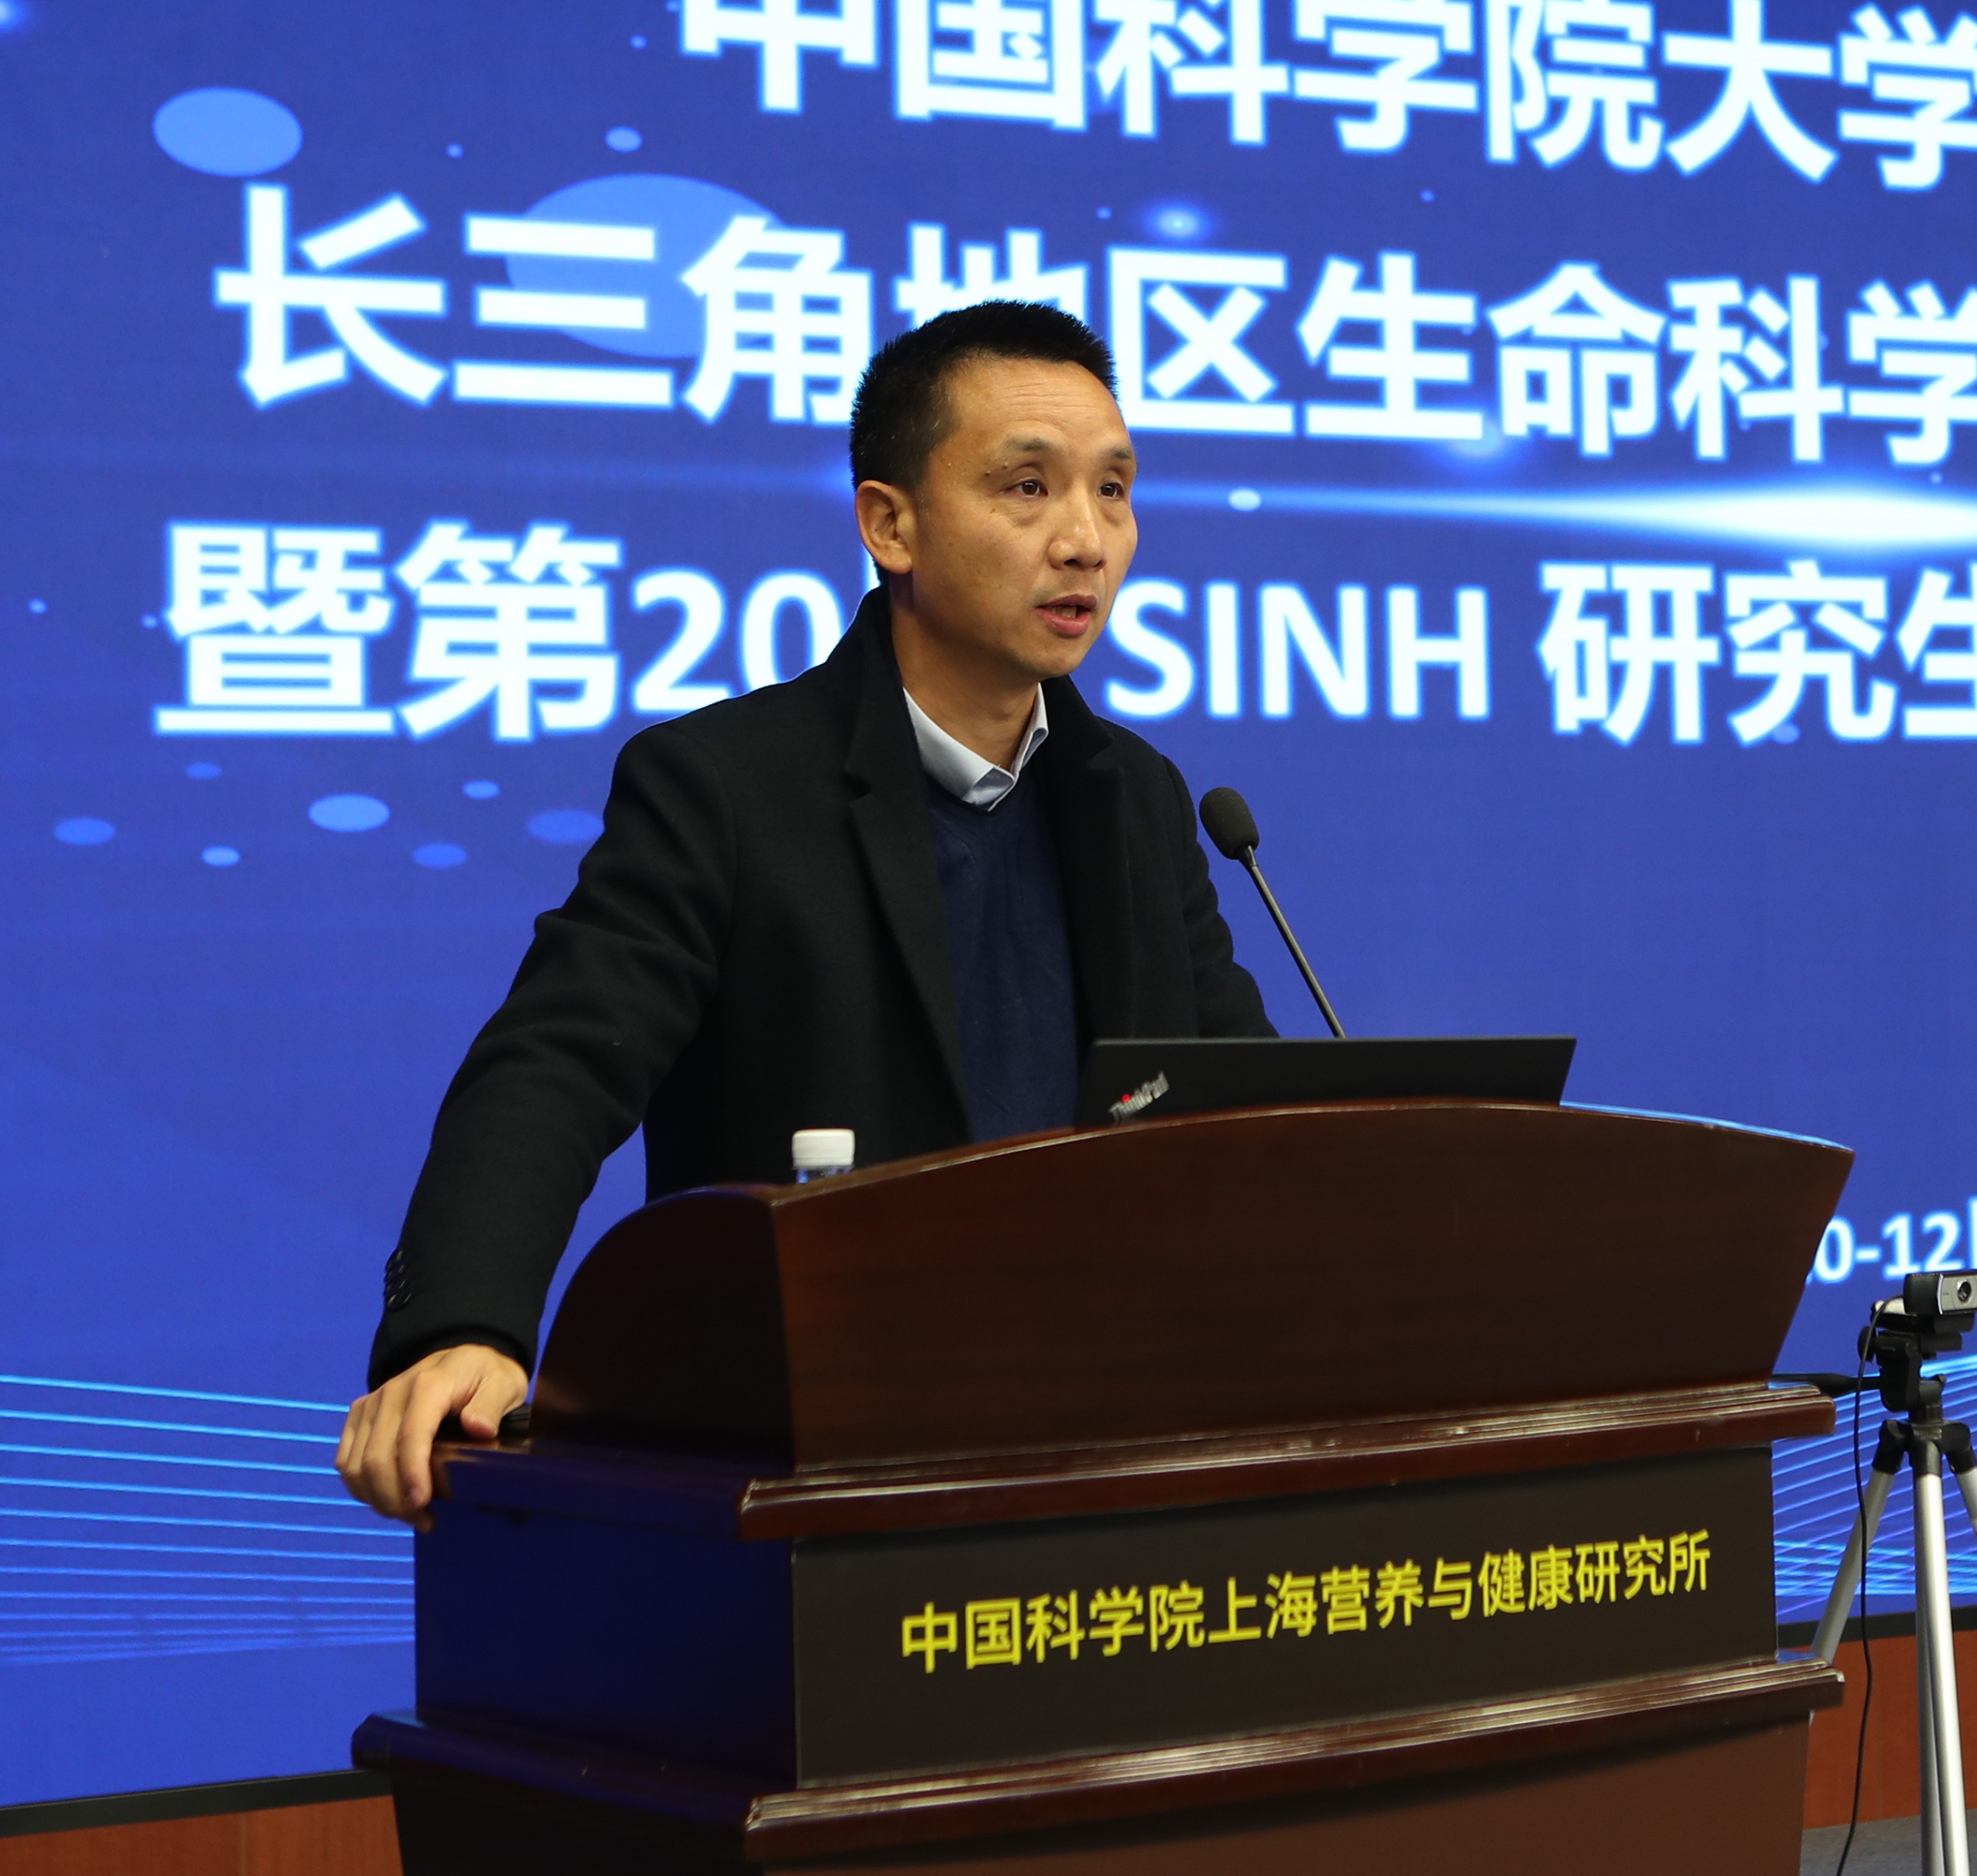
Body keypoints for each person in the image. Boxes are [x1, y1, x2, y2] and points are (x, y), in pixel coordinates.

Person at [334, 302, 1274, 1523]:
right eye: (1027, 488)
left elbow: (1251, 1111)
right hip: (811, 1468)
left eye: (1112, 490)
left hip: (1100, 1460)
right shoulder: (728, 788)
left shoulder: (1134, 801)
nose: (1085, 541)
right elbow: (557, 1063)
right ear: (890, 524)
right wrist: (462, 1328)